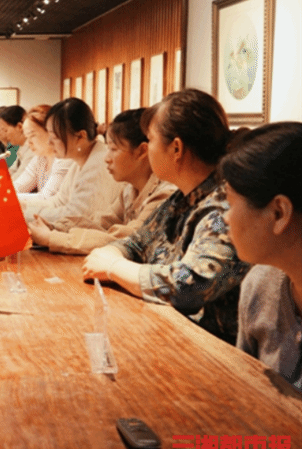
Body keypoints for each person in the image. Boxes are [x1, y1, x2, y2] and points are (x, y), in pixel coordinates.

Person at [82, 89, 251, 344]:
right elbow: (137, 243)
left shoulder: (224, 208)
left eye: (150, 140)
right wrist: (111, 254)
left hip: (212, 351)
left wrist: (113, 267)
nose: (148, 149)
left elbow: (189, 285)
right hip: (173, 335)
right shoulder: (181, 199)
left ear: (176, 148)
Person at [220, 122, 302, 390]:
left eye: (230, 203)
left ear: (279, 213)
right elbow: (247, 392)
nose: (225, 218)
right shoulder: (259, 284)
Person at [28, 108, 175, 254]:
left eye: (113, 149)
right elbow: (102, 221)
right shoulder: (131, 189)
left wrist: (52, 238)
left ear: (142, 151)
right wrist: (56, 227)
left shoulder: (165, 194)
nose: (106, 158)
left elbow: (129, 239)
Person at [20, 98, 124, 231]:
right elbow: (59, 201)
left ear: (80, 137)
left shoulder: (99, 163)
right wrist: (23, 207)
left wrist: (24, 213)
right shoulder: (80, 160)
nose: (49, 142)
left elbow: (77, 217)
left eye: (54, 136)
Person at [13, 105, 73, 195]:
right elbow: (17, 187)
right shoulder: (40, 158)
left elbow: (47, 198)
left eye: (32, 135)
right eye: (27, 137)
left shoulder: (65, 158)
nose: (29, 143)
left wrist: (8, 197)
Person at [0, 105, 32, 182]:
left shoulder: (32, 150)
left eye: (5, 130)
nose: (4, 135)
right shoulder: (21, 148)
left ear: (19, 127)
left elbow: (19, 178)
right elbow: (11, 171)